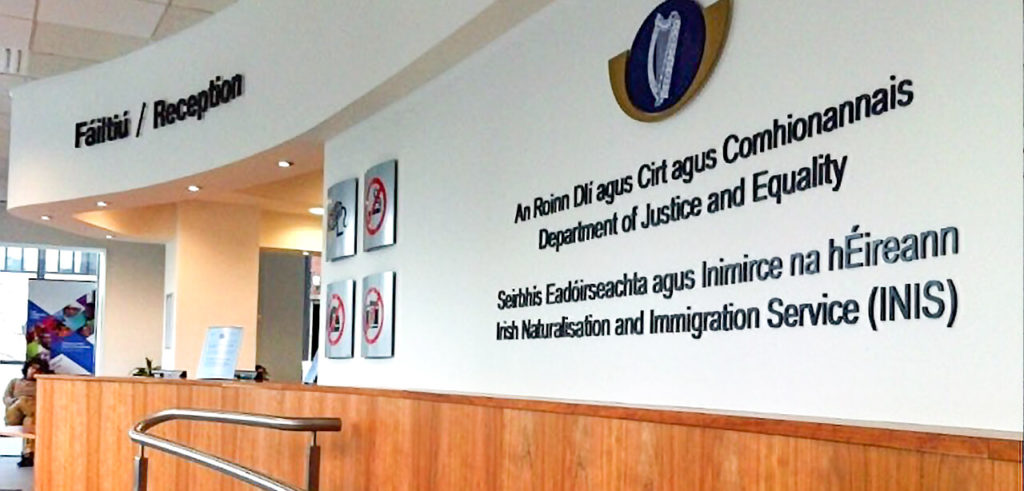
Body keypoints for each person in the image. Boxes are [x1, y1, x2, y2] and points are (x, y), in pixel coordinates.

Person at [4, 357, 51, 467]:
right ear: (27, 369)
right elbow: (6, 398)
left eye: (38, 369)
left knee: (29, 420)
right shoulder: (15, 382)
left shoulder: (42, 384)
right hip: (14, 414)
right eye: (32, 368)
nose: (34, 371)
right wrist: (18, 401)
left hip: (32, 414)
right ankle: (29, 453)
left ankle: (28, 454)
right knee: (24, 401)